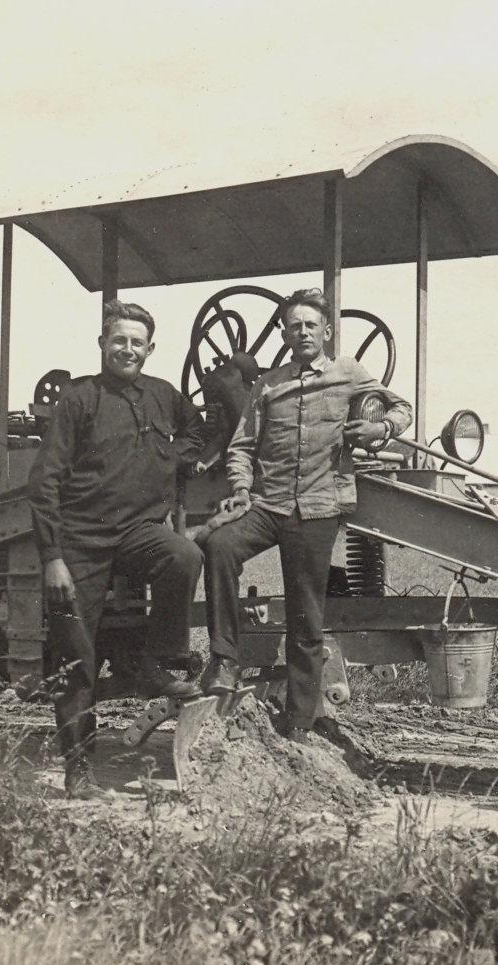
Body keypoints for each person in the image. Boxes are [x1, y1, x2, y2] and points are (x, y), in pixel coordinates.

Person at [199, 289, 411, 743]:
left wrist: (380, 427)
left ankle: (299, 722)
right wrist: (240, 487)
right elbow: (240, 446)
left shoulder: (348, 373)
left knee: (305, 617)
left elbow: (401, 408)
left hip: (317, 510)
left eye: (311, 325)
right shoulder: (269, 384)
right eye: (294, 326)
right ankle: (224, 659)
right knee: (219, 545)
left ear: (326, 332)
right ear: (284, 334)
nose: (303, 333)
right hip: (268, 505)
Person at [28, 299, 206, 799]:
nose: (128, 349)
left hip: (136, 534)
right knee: (76, 660)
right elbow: (43, 483)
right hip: (80, 543)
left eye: (137, 342)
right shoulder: (79, 399)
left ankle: (157, 663)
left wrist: (175, 457)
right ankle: (78, 772)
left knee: (184, 555)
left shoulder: (164, 396)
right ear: (103, 344)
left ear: (150, 349)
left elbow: (199, 430)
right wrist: (52, 558)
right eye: (119, 340)